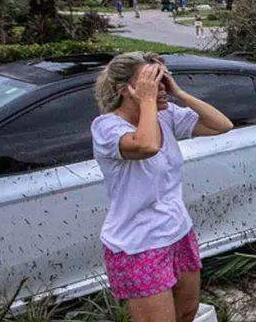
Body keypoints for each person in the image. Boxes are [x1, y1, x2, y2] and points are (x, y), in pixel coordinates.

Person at [91, 52, 233, 322]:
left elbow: (221, 125)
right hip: (138, 246)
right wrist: (147, 99)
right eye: (153, 82)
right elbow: (146, 146)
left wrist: (177, 91)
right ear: (125, 89)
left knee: (187, 313)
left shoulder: (164, 116)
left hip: (178, 232)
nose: (162, 89)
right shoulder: (106, 127)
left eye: (164, 80)